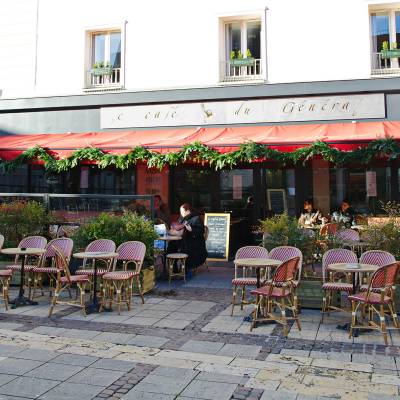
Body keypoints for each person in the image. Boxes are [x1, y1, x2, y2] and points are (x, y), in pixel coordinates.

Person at [169, 203, 207, 274]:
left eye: (182, 211)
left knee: (186, 248)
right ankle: (174, 269)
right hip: (182, 241)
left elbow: (201, 231)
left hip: (194, 244)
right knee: (171, 246)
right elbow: (178, 228)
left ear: (187, 211)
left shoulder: (196, 218)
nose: (181, 213)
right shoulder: (182, 219)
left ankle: (187, 269)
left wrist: (191, 229)